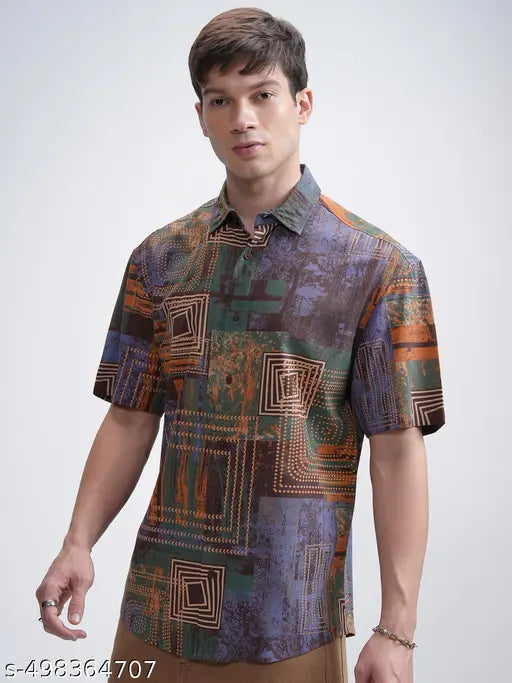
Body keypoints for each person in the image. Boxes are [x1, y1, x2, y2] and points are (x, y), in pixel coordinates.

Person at [35, 7, 446, 682]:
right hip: (157, 610)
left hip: (288, 622)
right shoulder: (160, 259)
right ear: (200, 116)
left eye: (262, 95)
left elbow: (399, 452)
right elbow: (129, 417)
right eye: (221, 101)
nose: (242, 119)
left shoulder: (378, 268)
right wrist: (77, 543)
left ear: (302, 103)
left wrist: (397, 629)